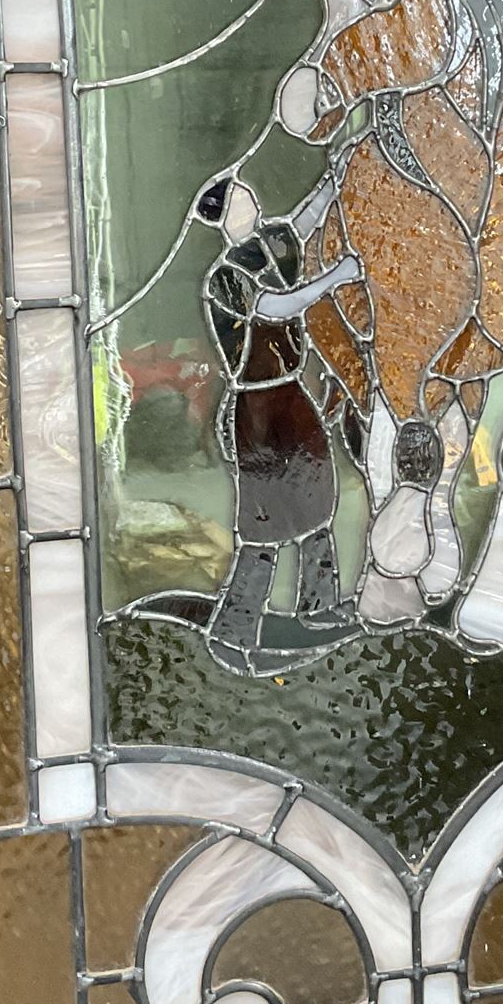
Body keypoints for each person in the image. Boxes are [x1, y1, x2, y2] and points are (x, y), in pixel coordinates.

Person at [193, 172, 363, 672]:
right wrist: (335, 278)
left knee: (316, 498)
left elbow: (304, 220)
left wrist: (335, 178)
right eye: (241, 196)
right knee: (263, 524)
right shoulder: (225, 275)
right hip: (258, 410)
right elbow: (274, 308)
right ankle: (234, 629)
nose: (250, 196)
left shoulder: (271, 241)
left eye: (248, 191)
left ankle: (320, 607)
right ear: (226, 216)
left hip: (292, 396)